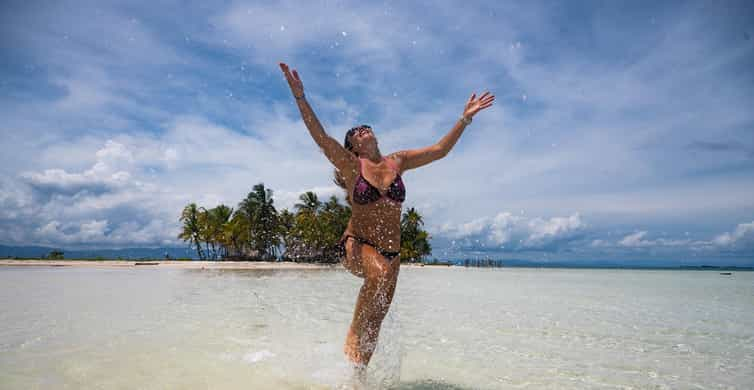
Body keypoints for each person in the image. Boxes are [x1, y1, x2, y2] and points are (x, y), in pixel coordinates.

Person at [279, 62, 494, 374]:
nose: (362, 130)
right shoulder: (352, 167)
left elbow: (439, 150)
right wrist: (300, 97)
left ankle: (358, 376)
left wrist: (464, 118)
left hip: (392, 253)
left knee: (376, 320)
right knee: (375, 279)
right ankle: (352, 329)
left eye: (365, 127)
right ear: (352, 147)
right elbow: (322, 138)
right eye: (355, 133)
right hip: (356, 246)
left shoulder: (398, 161)